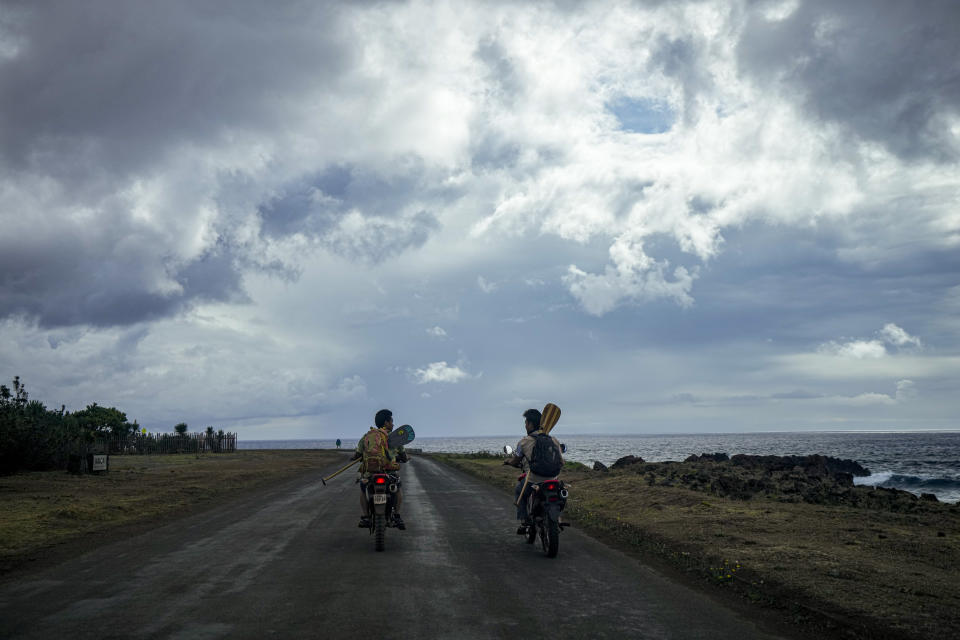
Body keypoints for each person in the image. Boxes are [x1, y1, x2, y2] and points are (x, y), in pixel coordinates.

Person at [503, 408, 563, 535]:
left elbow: (516, 460)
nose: (525, 426)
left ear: (530, 424)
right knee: (559, 496)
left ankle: (524, 521)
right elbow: (561, 462)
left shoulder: (524, 442)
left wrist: (508, 462)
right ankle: (558, 519)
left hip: (533, 479)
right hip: (553, 478)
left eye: (526, 423)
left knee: (520, 491)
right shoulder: (554, 440)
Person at [354, 409, 409, 529]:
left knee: (363, 489)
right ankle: (397, 515)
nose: (393, 424)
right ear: (386, 422)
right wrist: (404, 458)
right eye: (392, 421)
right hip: (390, 472)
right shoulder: (395, 438)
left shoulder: (367, 436)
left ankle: (365, 517)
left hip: (371, 472)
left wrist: (357, 457)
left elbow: (358, 454)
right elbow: (403, 456)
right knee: (398, 487)